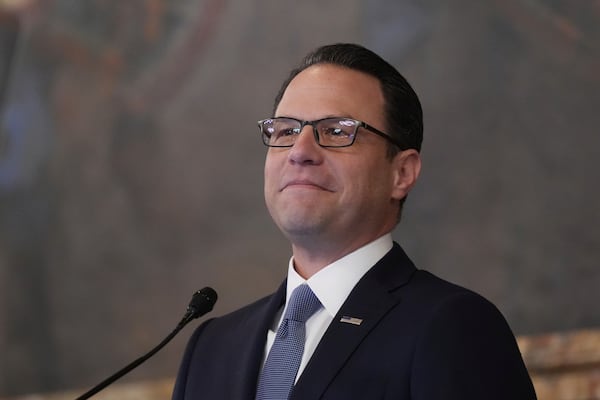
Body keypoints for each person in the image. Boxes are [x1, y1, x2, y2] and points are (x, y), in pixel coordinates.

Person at [172, 43, 537, 400]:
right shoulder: (212, 347)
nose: (300, 151)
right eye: (285, 130)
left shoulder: (452, 326)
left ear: (402, 173)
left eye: (335, 130)